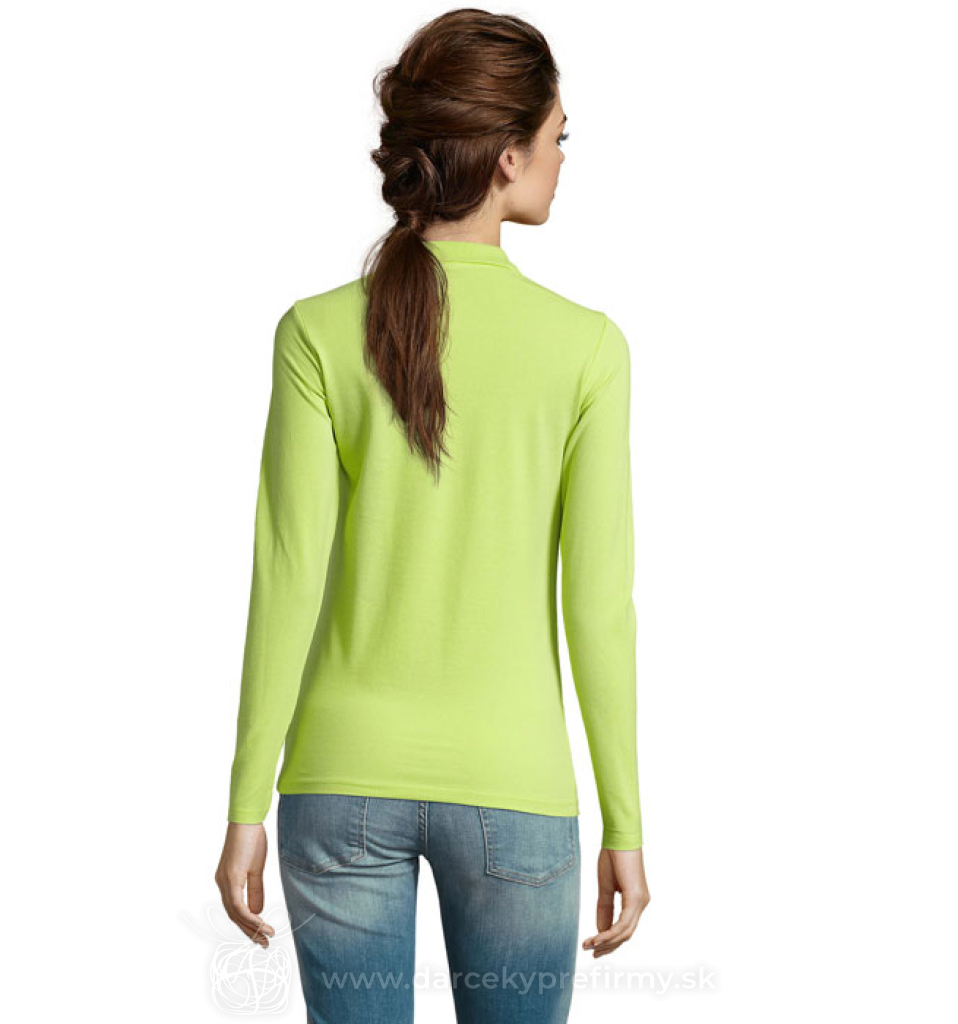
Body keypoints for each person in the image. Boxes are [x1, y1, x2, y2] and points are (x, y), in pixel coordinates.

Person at [215, 9, 650, 1022]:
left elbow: (285, 576)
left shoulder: (315, 332)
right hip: (515, 787)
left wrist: (244, 805)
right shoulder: (587, 349)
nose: (561, 159)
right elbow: (598, 609)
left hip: (338, 781)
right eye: (558, 138)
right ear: (507, 157)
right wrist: (624, 824)